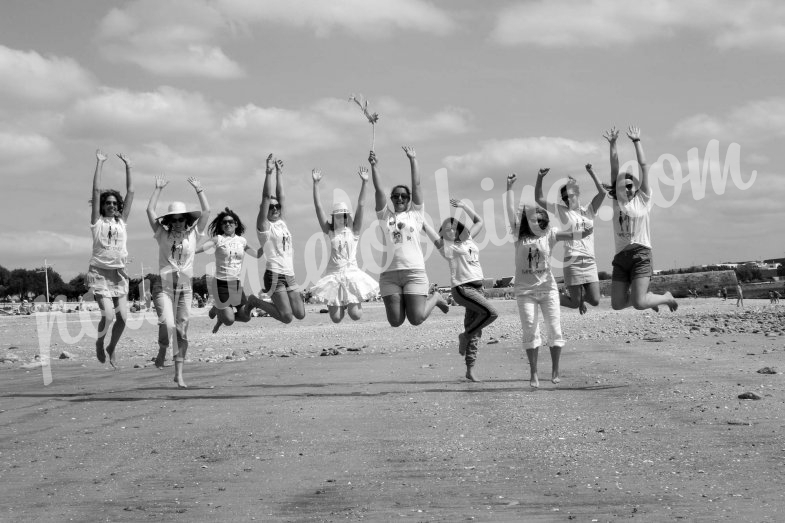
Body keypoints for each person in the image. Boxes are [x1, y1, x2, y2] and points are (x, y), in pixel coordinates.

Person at [506, 171, 594, 388]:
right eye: (533, 219)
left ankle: (555, 370)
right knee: (530, 329)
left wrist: (584, 232)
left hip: (548, 289)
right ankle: (533, 373)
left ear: (544, 221)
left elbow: (571, 235)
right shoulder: (519, 236)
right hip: (524, 292)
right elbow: (509, 211)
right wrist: (509, 188)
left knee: (554, 329)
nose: (537, 221)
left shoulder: (550, 234)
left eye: (540, 218)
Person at [369, 146, 448, 327]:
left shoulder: (416, 214)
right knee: (395, 321)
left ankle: (435, 297)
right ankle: (427, 299)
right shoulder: (384, 216)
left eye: (404, 196)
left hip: (414, 272)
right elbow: (379, 191)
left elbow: (417, 185)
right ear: (392, 198)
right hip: (389, 275)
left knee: (416, 319)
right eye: (396, 196)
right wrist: (374, 166)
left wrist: (413, 160)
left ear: (408, 198)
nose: (400, 199)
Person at [534, 130, 611, 314]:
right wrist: (540, 177)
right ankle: (544, 294)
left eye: (571, 196)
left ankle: (581, 297)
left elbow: (602, 193)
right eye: (565, 197)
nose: (569, 200)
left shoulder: (589, 211)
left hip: (590, 260)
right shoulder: (562, 211)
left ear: (577, 194)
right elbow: (539, 198)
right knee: (575, 303)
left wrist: (592, 172)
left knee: (595, 300)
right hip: (572, 260)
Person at [423, 198, 498, 382]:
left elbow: (479, 221)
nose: (450, 230)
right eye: (446, 229)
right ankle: (463, 336)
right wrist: (422, 221)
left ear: (459, 228)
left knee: (476, 329)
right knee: (491, 313)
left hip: (478, 288)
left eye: (453, 227)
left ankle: (470, 369)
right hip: (463, 288)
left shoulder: (469, 239)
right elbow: (432, 235)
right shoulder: (447, 247)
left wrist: (464, 207)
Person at [146, 175, 210, 388]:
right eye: (173, 219)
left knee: (181, 330)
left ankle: (179, 374)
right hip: (163, 286)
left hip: (185, 287)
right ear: (169, 221)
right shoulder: (161, 234)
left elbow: (207, 212)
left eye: (181, 218)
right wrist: (158, 189)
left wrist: (199, 190)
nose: (177, 222)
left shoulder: (193, 235)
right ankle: (163, 347)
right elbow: (150, 211)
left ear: (186, 220)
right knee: (168, 323)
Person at [606, 126, 677, 313]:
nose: (627, 189)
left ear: (635, 186)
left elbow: (644, 167)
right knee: (617, 304)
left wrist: (637, 142)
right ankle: (647, 296)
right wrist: (612, 144)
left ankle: (665, 297)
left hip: (641, 254)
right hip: (621, 257)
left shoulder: (643, 198)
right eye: (623, 186)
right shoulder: (617, 201)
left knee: (639, 304)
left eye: (630, 186)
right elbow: (614, 169)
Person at [308, 166, 379, 322]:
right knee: (336, 318)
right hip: (333, 274)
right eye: (338, 215)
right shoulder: (330, 231)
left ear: (347, 216)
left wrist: (365, 183)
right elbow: (318, 208)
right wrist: (316, 184)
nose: (341, 218)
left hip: (351, 273)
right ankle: (342, 304)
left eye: (344, 215)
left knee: (356, 315)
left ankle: (350, 302)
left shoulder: (354, 231)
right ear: (334, 217)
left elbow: (361, 205)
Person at [87, 149, 134, 368]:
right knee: (108, 316)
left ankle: (111, 347)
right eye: (109, 203)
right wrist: (100, 163)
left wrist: (128, 167)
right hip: (99, 272)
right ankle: (99, 342)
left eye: (115, 204)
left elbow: (131, 192)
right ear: (103, 206)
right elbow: (96, 190)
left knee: (123, 318)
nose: (112, 206)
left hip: (119, 273)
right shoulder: (98, 222)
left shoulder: (121, 222)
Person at [246, 155, 306, 323]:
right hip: (274, 275)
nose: (274, 208)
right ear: (264, 209)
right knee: (287, 317)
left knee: (300, 314)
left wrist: (280, 173)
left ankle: (271, 302)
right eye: (271, 207)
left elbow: (282, 196)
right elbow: (266, 197)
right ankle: (255, 301)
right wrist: (268, 172)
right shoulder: (264, 226)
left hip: (290, 274)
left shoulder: (282, 222)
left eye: (277, 206)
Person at [196, 208, 262, 332]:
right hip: (221, 284)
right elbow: (202, 248)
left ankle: (219, 313)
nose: (227, 224)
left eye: (230, 221)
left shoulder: (242, 241)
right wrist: (188, 250)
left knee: (246, 317)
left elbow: (257, 254)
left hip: (236, 284)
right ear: (221, 225)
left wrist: (267, 243)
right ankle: (220, 311)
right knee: (229, 321)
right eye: (224, 222)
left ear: (236, 224)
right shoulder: (219, 239)